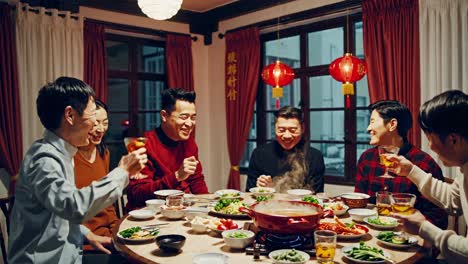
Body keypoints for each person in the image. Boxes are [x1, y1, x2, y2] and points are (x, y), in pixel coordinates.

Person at [8, 77, 147, 264]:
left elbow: (58, 213)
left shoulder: (63, 154)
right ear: (70, 116)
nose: (96, 127)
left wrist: (87, 234)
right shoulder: (44, 160)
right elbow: (74, 207)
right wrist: (122, 171)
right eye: (92, 116)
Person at [388, 90, 468, 263]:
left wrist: (424, 228)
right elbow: (452, 199)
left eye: (430, 138)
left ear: (452, 140)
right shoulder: (465, 170)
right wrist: (410, 170)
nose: (430, 146)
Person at [355, 100, 447, 229]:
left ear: (392, 124)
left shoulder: (424, 163)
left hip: (408, 237)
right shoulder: (367, 158)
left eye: (372, 122)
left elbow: (438, 217)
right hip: (370, 232)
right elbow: (360, 201)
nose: (368, 128)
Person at [126, 88, 208, 210]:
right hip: (152, 214)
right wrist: (176, 176)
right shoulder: (144, 145)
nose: (190, 123)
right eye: (184, 117)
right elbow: (137, 194)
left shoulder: (189, 143)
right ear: (164, 116)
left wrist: (207, 207)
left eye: (193, 118)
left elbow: (197, 182)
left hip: (182, 210)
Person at [74, 99, 119, 253]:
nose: (101, 129)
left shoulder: (103, 152)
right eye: (95, 123)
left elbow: (107, 200)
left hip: (107, 236)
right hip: (83, 241)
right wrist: (88, 236)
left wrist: (117, 229)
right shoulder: (67, 158)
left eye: (105, 123)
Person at [246, 106, 325, 193]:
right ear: (275, 129)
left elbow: (317, 196)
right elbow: (249, 193)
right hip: (267, 205)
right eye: (281, 130)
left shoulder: (315, 157)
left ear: (302, 129)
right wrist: (263, 189)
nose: (287, 136)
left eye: (293, 130)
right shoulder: (259, 154)